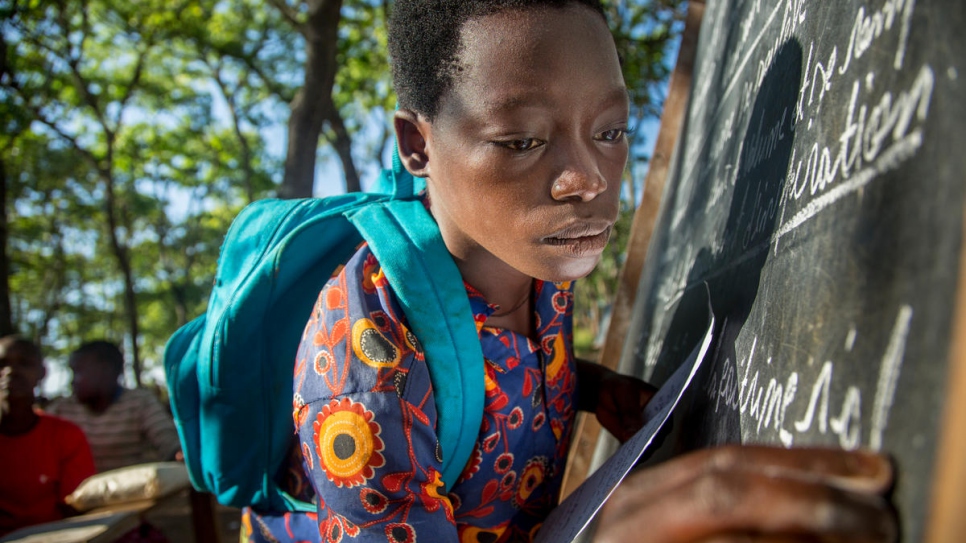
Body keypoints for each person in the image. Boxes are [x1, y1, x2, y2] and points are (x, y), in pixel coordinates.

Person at [245, 1, 899, 541]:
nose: (586, 179)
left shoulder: (540, 261)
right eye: (523, 140)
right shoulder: (368, 358)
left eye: (611, 132)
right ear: (418, 145)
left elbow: (505, 369)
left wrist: (594, 386)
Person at [0, 335, 96, 537]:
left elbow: (76, 507)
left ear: (42, 373)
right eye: (2, 364)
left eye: (24, 364)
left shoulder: (67, 436)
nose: (10, 372)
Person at [46, 340, 182, 473]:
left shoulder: (140, 402)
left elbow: (167, 440)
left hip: (132, 492)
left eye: (78, 372)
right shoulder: (62, 409)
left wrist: (179, 454)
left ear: (107, 371)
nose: (72, 381)